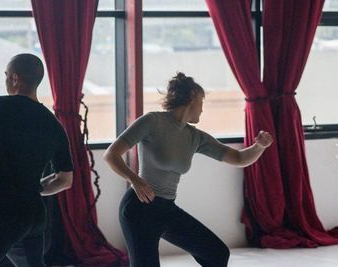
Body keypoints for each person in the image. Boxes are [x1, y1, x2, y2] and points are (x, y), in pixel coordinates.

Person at [103, 72, 273, 267]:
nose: (202, 109)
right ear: (192, 96)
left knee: (216, 253)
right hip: (139, 209)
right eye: (201, 102)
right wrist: (136, 180)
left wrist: (259, 147)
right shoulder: (152, 122)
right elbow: (111, 155)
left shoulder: (195, 137)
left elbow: (239, 158)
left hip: (166, 209)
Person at [0, 54, 74, 267]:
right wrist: (34, 189)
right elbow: (65, 180)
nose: (6, 80)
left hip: (6, 211)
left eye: (7, 76)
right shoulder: (53, 124)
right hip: (35, 214)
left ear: (15, 78)